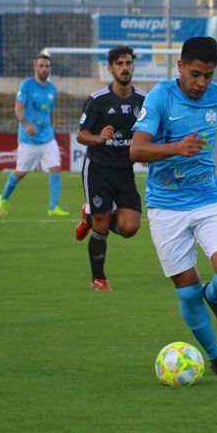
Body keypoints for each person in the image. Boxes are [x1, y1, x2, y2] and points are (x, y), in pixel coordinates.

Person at [130, 37, 217, 376]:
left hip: (207, 200)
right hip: (165, 208)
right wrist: (176, 148)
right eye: (196, 74)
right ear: (181, 67)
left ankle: (214, 296)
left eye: (209, 76)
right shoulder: (160, 96)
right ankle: (216, 356)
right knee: (187, 295)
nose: (202, 83)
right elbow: (137, 150)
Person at [73, 46, 146, 290]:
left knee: (130, 227)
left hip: (124, 171)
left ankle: (90, 215)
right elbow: (81, 135)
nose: (125, 68)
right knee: (102, 224)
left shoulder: (143, 101)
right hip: (98, 168)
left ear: (133, 66)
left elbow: (150, 132)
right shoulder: (97, 100)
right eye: (120, 64)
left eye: (128, 63)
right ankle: (99, 279)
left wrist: (146, 151)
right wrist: (98, 138)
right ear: (111, 69)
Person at [0, 54, 69, 217]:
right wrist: (27, 125)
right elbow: (18, 108)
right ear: (36, 68)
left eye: (47, 66)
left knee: (56, 168)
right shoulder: (27, 85)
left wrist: (50, 127)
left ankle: (53, 207)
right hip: (28, 140)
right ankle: (4, 197)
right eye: (41, 66)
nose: (44, 69)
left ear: (50, 69)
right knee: (21, 172)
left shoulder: (52, 89)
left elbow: (50, 112)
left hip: (47, 138)